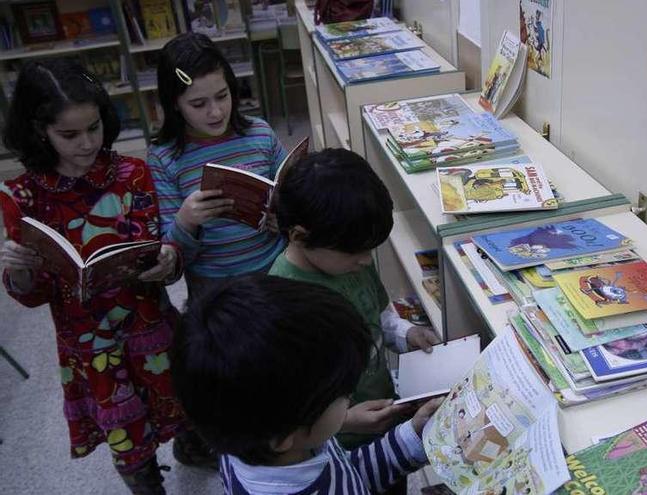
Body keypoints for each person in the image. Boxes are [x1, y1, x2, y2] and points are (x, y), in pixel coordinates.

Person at [0, 59, 210, 494]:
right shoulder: (23, 197)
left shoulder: (131, 174)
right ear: (40, 130)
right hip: (87, 341)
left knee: (181, 399)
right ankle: (147, 483)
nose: (87, 144)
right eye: (69, 135)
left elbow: (153, 251)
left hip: (147, 321)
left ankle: (191, 447)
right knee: (125, 430)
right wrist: (18, 272)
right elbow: (32, 294)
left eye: (94, 128)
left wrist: (168, 260)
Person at [171, 274, 442, 495]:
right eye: (342, 395)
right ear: (282, 438)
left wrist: (412, 436)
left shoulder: (245, 439)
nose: (349, 399)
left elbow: (346, 474)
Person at [271, 148, 439, 448]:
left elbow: (378, 314)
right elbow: (285, 405)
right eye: (355, 251)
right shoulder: (284, 302)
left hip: (382, 411)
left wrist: (407, 334)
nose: (365, 260)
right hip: (333, 442)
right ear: (299, 236)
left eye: (370, 249)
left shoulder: (350, 256)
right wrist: (345, 420)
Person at [148, 32, 286, 299]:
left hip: (276, 269)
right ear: (174, 104)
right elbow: (170, 254)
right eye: (198, 104)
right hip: (212, 286)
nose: (216, 112)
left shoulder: (260, 133)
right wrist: (185, 220)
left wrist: (285, 219)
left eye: (222, 96)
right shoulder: (163, 156)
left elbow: (292, 193)